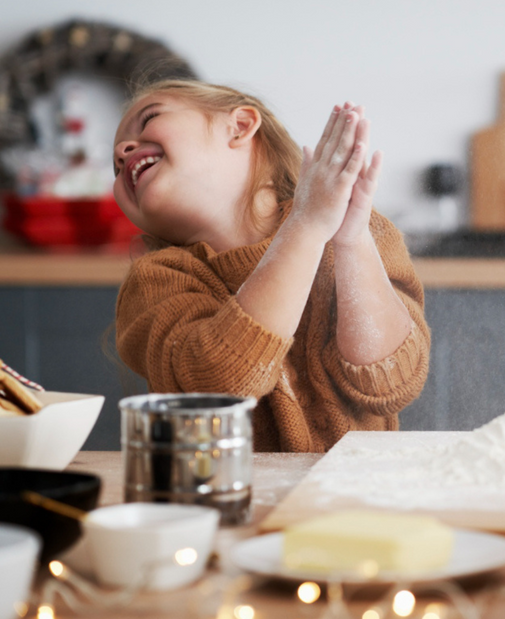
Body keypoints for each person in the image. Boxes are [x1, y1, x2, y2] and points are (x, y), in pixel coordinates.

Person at [112, 80, 430, 452]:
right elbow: (219, 386)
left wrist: (351, 240)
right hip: (228, 503)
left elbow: (391, 384)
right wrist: (306, 228)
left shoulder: (362, 232)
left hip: (356, 502)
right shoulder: (156, 281)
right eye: (114, 164)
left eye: (149, 118)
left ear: (241, 126)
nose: (121, 152)